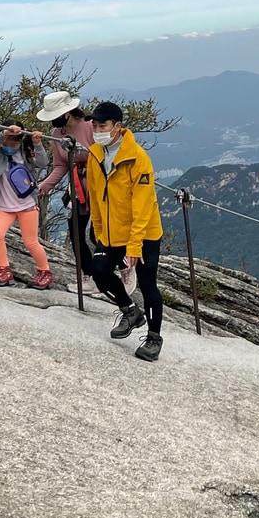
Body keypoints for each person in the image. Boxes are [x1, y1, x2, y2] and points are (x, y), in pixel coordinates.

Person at [86, 101, 166, 362]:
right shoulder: (95, 154)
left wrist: (134, 247)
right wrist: (98, 232)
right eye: (95, 125)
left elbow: (142, 208)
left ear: (117, 127)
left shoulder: (138, 159)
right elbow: (95, 197)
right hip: (110, 233)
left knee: (147, 284)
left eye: (103, 125)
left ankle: (154, 337)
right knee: (99, 272)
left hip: (144, 235)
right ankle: (130, 311)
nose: (98, 130)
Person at [36, 91, 95, 291]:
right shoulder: (56, 134)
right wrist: (45, 185)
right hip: (77, 188)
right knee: (76, 232)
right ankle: (90, 275)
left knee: (99, 234)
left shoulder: (89, 126)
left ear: (67, 113)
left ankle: (122, 268)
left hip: (98, 186)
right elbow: (61, 165)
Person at [0, 122, 51, 289]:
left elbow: (43, 163)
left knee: (31, 242)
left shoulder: (25, 155)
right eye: (9, 139)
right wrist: (4, 134)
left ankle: (45, 271)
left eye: (16, 140)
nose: (12, 144)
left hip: (27, 205)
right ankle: (3, 269)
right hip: (4, 206)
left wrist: (37, 143)